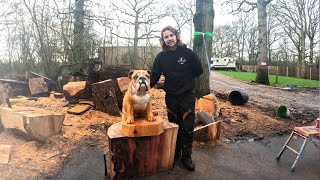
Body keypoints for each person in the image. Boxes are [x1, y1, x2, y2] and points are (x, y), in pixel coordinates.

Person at [150, 26, 203, 171]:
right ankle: (175, 153)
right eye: (166, 37)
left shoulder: (188, 53)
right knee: (174, 125)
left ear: (177, 36)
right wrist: (142, 88)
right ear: (163, 40)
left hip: (187, 95)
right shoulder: (161, 57)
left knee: (187, 127)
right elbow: (154, 75)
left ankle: (187, 156)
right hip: (171, 97)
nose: (169, 39)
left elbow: (199, 70)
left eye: (171, 35)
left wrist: (185, 79)